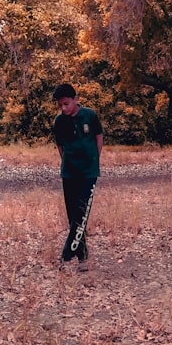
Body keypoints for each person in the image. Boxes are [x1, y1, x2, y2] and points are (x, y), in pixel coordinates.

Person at [51, 82, 104, 272]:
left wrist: (93, 159)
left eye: (66, 104)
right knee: (73, 216)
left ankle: (66, 256)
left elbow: (99, 137)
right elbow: (60, 146)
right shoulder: (59, 121)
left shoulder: (89, 115)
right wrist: (69, 161)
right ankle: (82, 258)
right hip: (69, 173)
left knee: (82, 213)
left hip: (88, 173)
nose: (64, 108)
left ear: (75, 99)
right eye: (61, 105)